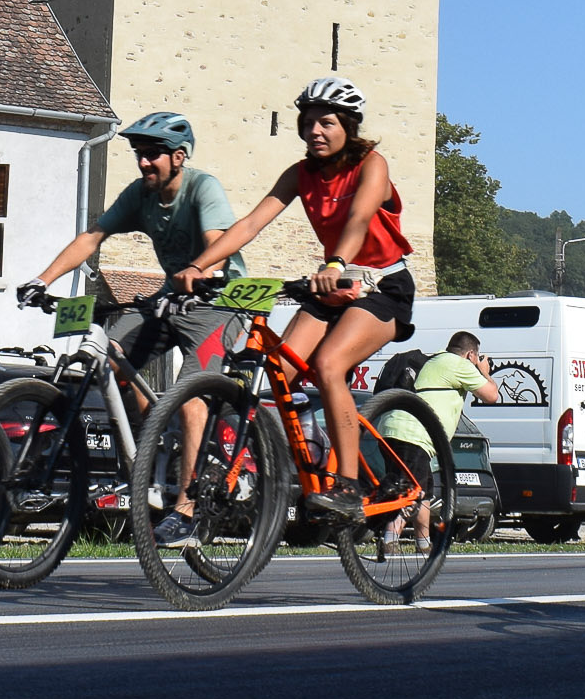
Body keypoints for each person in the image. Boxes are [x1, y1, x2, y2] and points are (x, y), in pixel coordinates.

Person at [176, 77, 414, 527]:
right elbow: (250, 224)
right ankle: (312, 448)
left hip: (382, 285)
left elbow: (359, 218)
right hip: (333, 287)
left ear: (348, 127)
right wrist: (199, 265)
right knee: (279, 372)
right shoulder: (300, 174)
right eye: (308, 124)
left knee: (328, 365)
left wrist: (337, 261)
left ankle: (348, 484)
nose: (315, 132)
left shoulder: (372, 165)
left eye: (326, 123)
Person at [22, 110, 235, 544]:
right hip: (168, 299)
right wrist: (42, 280)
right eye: (139, 153)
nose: (143, 162)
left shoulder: (202, 188)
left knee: (191, 395)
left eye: (152, 154)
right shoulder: (140, 195)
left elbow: (219, 244)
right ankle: (151, 442)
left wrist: (200, 271)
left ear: (179, 157)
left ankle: (187, 508)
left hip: (217, 303)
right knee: (109, 355)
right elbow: (92, 237)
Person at [375, 333, 501, 544]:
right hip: (413, 434)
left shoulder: (436, 360)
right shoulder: (458, 364)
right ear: (470, 354)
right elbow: (491, 395)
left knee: (423, 492)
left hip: (392, 429)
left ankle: (423, 543)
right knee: (412, 492)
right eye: (476, 357)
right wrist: (484, 371)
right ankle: (389, 540)